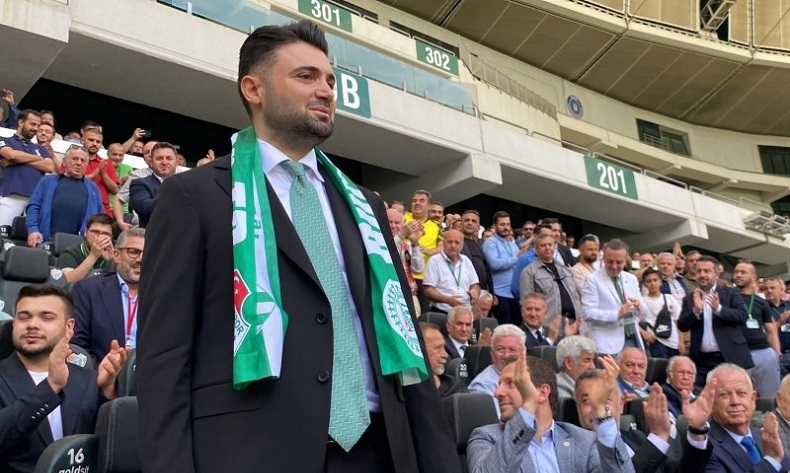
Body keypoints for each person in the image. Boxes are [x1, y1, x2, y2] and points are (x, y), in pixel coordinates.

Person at [137, 20, 457, 473]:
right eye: (306, 77)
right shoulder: (193, 196)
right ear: (254, 89)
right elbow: (165, 356)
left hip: (378, 452)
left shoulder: (366, 206)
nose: (326, 91)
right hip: (254, 454)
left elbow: (405, 338)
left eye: (330, 81)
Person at [0, 284, 129, 473]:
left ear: (69, 327)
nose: (32, 324)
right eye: (24, 317)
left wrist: (107, 392)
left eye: (47, 317)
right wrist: (50, 387)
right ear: (14, 324)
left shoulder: (88, 379)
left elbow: (108, 447)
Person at [467, 353, 634, 473]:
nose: (497, 392)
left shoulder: (584, 441)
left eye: (511, 383)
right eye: (499, 384)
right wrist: (528, 406)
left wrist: (600, 410)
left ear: (542, 392)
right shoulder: (486, 437)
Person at [677, 256, 752, 388]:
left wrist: (718, 309)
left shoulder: (731, 293)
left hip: (729, 357)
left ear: (716, 275)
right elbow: (682, 326)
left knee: (731, 393)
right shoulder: (690, 298)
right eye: (699, 271)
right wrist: (696, 311)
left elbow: (742, 316)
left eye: (707, 271)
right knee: (701, 395)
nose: (702, 275)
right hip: (702, 360)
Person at [72, 228, 145, 363]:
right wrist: (101, 373)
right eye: (134, 252)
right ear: (116, 255)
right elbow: (77, 346)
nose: (141, 259)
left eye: (147, 253)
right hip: (101, 372)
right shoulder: (88, 290)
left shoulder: (162, 294)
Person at [705, 363, 790, 472]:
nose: (735, 401)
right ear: (710, 402)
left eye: (741, 393)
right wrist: (771, 460)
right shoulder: (704, 449)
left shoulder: (765, 437)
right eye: (724, 394)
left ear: (753, 399)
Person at [25, 146, 103, 246]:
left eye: (83, 160)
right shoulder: (47, 181)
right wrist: (33, 230)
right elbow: (33, 207)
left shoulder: (93, 189)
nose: (79, 163)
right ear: (65, 161)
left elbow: (99, 218)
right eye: (75, 158)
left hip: (79, 247)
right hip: (45, 241)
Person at [582, 238, 648, 355]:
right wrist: (617, 314)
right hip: (607, 344)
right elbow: (588, 313)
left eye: (619, 262)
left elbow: (644, 313)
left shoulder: (631, 279)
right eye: (610, 262)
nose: (614, 266)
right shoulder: (592, 279)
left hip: (633, 337)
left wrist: (640, 307)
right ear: (603, 258)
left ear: (626, 260)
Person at [732, 261, 781, 397]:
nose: (738, 275)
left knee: (770, 398)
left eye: (743, 272)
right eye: (736, 272)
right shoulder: (728, 297)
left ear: (753, 277)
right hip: (739, 353)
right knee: (740, 395)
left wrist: (776, 355)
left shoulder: (761, 302)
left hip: (764, 352)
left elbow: (771, 330)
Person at [0, 109, 54, 226]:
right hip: (11, 196)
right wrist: (38, 159)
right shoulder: (4, 140)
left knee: (30, 236)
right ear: (21, 122)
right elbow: (11, 155)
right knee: (3, 233)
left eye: (38, 125)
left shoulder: (39, 148)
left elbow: (49, 166)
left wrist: (16, 161)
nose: (36, 128)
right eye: (33, 124)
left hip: (34, 201)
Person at [468, 324, 525, 413]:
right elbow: (495, 421)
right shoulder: (481, 387)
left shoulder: (531, 377)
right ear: (492, 354)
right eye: (500, 349)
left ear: (523, 353)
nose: (506, 355)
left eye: (512, 350)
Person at [483, 211, 526, 325]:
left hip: (515, 295)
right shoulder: (490, 242)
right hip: (500, 295)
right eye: (502, 224)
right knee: (504, 330)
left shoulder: (512, 243)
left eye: (508, 224)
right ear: (495, 226)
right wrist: (517, 258)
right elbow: (494, 264)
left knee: (517, 330)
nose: (506, 227)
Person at [423, 228, 480, 313]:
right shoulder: (434, 261)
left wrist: (474, 291)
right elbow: (428, 290)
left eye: (457, 242)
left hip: (465, 312)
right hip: (442, 312)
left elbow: (475, 284)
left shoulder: (466, 260)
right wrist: (447, 300)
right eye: (450, 242)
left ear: (462, 245)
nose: (453, 245)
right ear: (443, 243)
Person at [129, 142, 178, 228]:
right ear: (151, 162)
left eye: (169, 158)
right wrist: (178, 200)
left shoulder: (187, 184)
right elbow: (143, 207)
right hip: (153, 234)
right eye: (159, 158)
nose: (164, 162)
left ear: (177, 162)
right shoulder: (139, 183)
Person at [56, 213, 115, 284]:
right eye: (95, 232)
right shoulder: (71, 253)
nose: (100, 237)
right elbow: (68, 281)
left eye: (106, 234)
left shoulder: (116, 255)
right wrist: (93, 256)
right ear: (86, 232)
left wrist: (112, 262)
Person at [387, 208, 424, 316]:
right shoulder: (377, 241)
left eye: (397, 223)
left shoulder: (407, 245)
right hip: (390, 295)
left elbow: (418, 269)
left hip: (410, 295)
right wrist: (400, 236)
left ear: (402, 225)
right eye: (389, 222)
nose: (393, 226)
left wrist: (415, 244)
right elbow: (387, 254)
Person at [640, 268, 682, 359]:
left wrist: (681, 341)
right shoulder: (642, 301)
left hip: (674, 341)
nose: (652, 284)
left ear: (660, 282)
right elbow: (634, 320)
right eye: (649, 281)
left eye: (655, 280)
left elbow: (677, 320)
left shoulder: (669, 298)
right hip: (656, 341)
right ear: (644, 284)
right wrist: (644, 333)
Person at [419, 322, 467, 398]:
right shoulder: (403, 393)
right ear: (419, 349)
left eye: (443, 347)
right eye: (438, 348)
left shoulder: (455, 388)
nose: (445, 355)